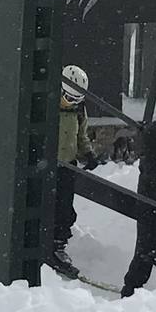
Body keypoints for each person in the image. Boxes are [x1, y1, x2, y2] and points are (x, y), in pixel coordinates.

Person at [48, 64, 101, 279]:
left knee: (65, 209)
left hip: (67, 165)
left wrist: (87, 153)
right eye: (69, 99)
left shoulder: (77, 110)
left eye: (77, 100)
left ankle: (58, 246)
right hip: (48, 165)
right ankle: (44, 243)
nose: (72, 103)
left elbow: (80, 134)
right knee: (47, 205)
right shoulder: (49, 107)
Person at [120, 106, 156, 297]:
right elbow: (154, 170)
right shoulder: (155, 133)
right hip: (152, 198)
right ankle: (132, 290)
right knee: (148, 246)